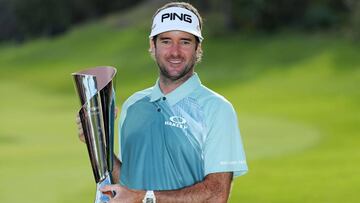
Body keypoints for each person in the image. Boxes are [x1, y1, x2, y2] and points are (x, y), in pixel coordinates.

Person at [77, 2, 248, 202]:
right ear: (152, 45)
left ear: (197, 48)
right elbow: (127, 185)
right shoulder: (133, 106)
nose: (175, 52)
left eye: (185, 42)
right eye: (166, 41)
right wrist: (98, 142)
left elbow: (217, 194)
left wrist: (144, 197)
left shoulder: (217, 109)